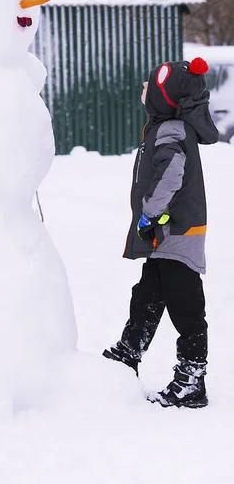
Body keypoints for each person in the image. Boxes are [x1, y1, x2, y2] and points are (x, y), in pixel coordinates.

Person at [103, 57, 219, 408]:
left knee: (185, 305)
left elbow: (171, 174)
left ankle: (191, 379)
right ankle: (128, 354)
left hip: (176, 233)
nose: (143, 89)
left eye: (149, 86)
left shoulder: (170, 130)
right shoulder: (167, 125)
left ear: (164, 98)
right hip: (166, 235)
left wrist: (150, 213)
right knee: (147, 296)